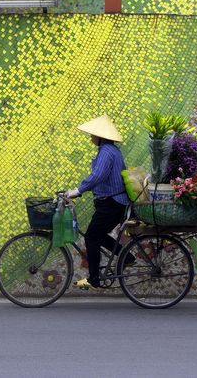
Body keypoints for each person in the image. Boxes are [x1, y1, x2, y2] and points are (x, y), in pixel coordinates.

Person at [65, 114, 134, 290]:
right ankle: (127, 257)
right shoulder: (111, 151)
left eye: (93, 134)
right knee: (99, 235)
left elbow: (98, 176)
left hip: (112, 203)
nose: (91, 137)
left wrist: (77, 191)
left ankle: (94, 279)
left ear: (100, 136)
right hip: (113, 202)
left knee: (91, 237)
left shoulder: (106, 152)